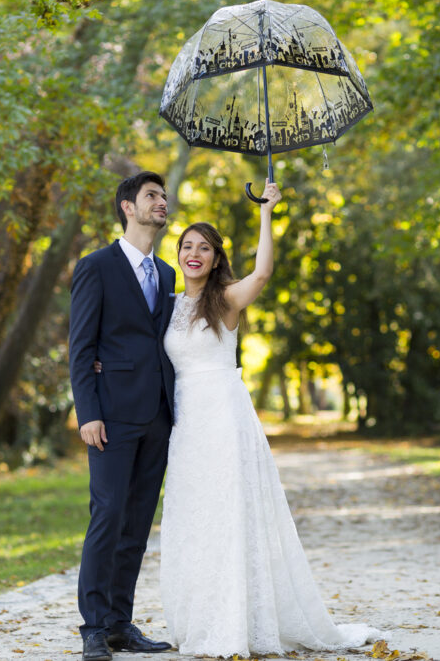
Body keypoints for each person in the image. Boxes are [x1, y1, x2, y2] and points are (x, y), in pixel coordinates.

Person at [156, 180, 382, 657]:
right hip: (188, 424)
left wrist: (265, 212)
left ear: (216, 258)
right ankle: (200, 619)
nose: (194, 254)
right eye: (187, 246)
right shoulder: (169, 307)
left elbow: (262, 272)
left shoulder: (226, 299)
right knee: (194, 519)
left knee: (229, 514)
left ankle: (237, 622)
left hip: (224, 417)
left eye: (204, 248)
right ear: (178, 254)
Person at [67, 171, 176, 661]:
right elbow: (80, 347)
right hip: (110, 417)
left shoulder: (168, 273)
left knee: (136, 525)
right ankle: (93, 626)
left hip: (157, 416)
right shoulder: (96, 266)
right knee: (107, 516)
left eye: (164, 196)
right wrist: (87, 413)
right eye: (152, 195)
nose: (162, 202)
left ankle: (118, 624)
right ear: (128, 207)